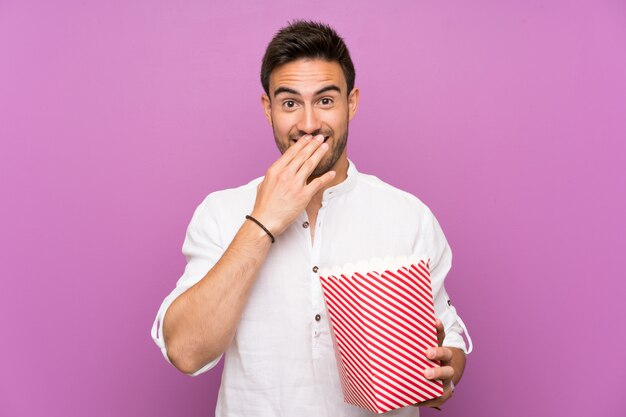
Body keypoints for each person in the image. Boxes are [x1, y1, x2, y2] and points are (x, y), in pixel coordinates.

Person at [151, 20, 472, 416]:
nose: (307, 124)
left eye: (325, 100)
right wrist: (264, 221)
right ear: (268, 108)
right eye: (289, 103)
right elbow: (185, 351)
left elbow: (448, 337)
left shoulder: (409, 215)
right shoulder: (220, 214)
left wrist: (444, 370)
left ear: (351, 103)